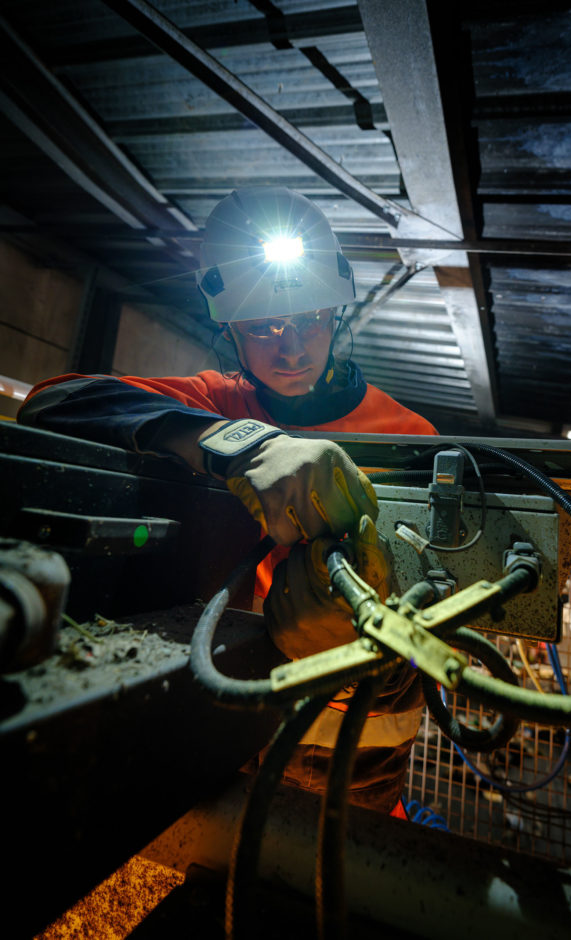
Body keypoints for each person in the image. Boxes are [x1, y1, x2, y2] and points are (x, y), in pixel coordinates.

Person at [18, 186, 438, 814]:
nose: (291, 347)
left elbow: (445, 617)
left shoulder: (414, 439)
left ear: (336, 311)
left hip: (354, 758)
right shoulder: (217, 403)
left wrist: (376, 651)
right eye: (263, 326)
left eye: (309, 319)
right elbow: (52, 402)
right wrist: (226, 440)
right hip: (223, 716)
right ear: (228, 327)